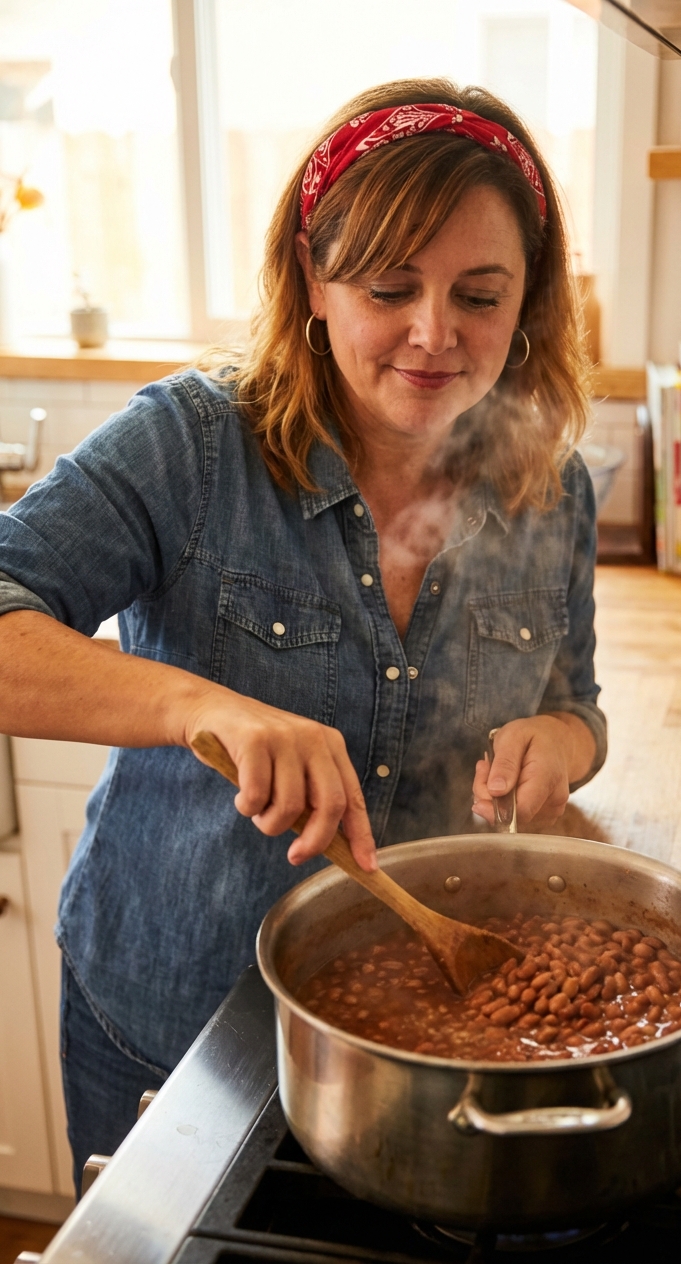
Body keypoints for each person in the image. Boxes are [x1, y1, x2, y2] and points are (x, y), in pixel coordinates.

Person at [0, 79, 606, 1193]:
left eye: (480, 293)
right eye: (389, 287)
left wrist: (559, 745)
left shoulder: (548, 486)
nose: (435, 334)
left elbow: (579, 703)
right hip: (172, 1030)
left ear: (528, 305)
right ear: (311, 283)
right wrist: (203, 706)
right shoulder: (190, 444)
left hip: (425, 1047)